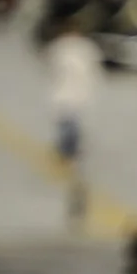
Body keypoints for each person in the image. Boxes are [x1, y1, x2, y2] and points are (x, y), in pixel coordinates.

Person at [46, 12, 102, 225]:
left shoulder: (59, 47)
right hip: (78, 105)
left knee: (69, 148)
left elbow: (51, 70)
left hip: (65, 104)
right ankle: (72, 177)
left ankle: (70, 172)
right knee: (74, 150)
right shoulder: (87, 48)